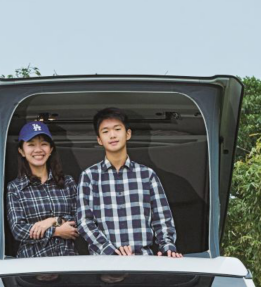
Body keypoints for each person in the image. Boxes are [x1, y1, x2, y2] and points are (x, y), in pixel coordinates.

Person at [76, 107, 182, 257]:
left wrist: (168, 248)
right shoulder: (89, 176)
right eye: (105, 131)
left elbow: (162, 219)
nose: (112, 135)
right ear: (99, 140)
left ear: (128, 134)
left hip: (144, 261)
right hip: (104, 263)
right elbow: (84, 222)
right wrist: (111, 252)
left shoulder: (147, 175)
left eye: (117, 129)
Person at [6, 120, 79, 257]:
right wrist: (56, 231)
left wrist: (52, 220)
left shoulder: (68, 182)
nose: (38, 150)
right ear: (21, 151)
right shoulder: (15, 188)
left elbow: (79, 220)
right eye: (31, 144)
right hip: (32, 266)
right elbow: (19, 230)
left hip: (68, 263)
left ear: (51, 149)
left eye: (44, 144)